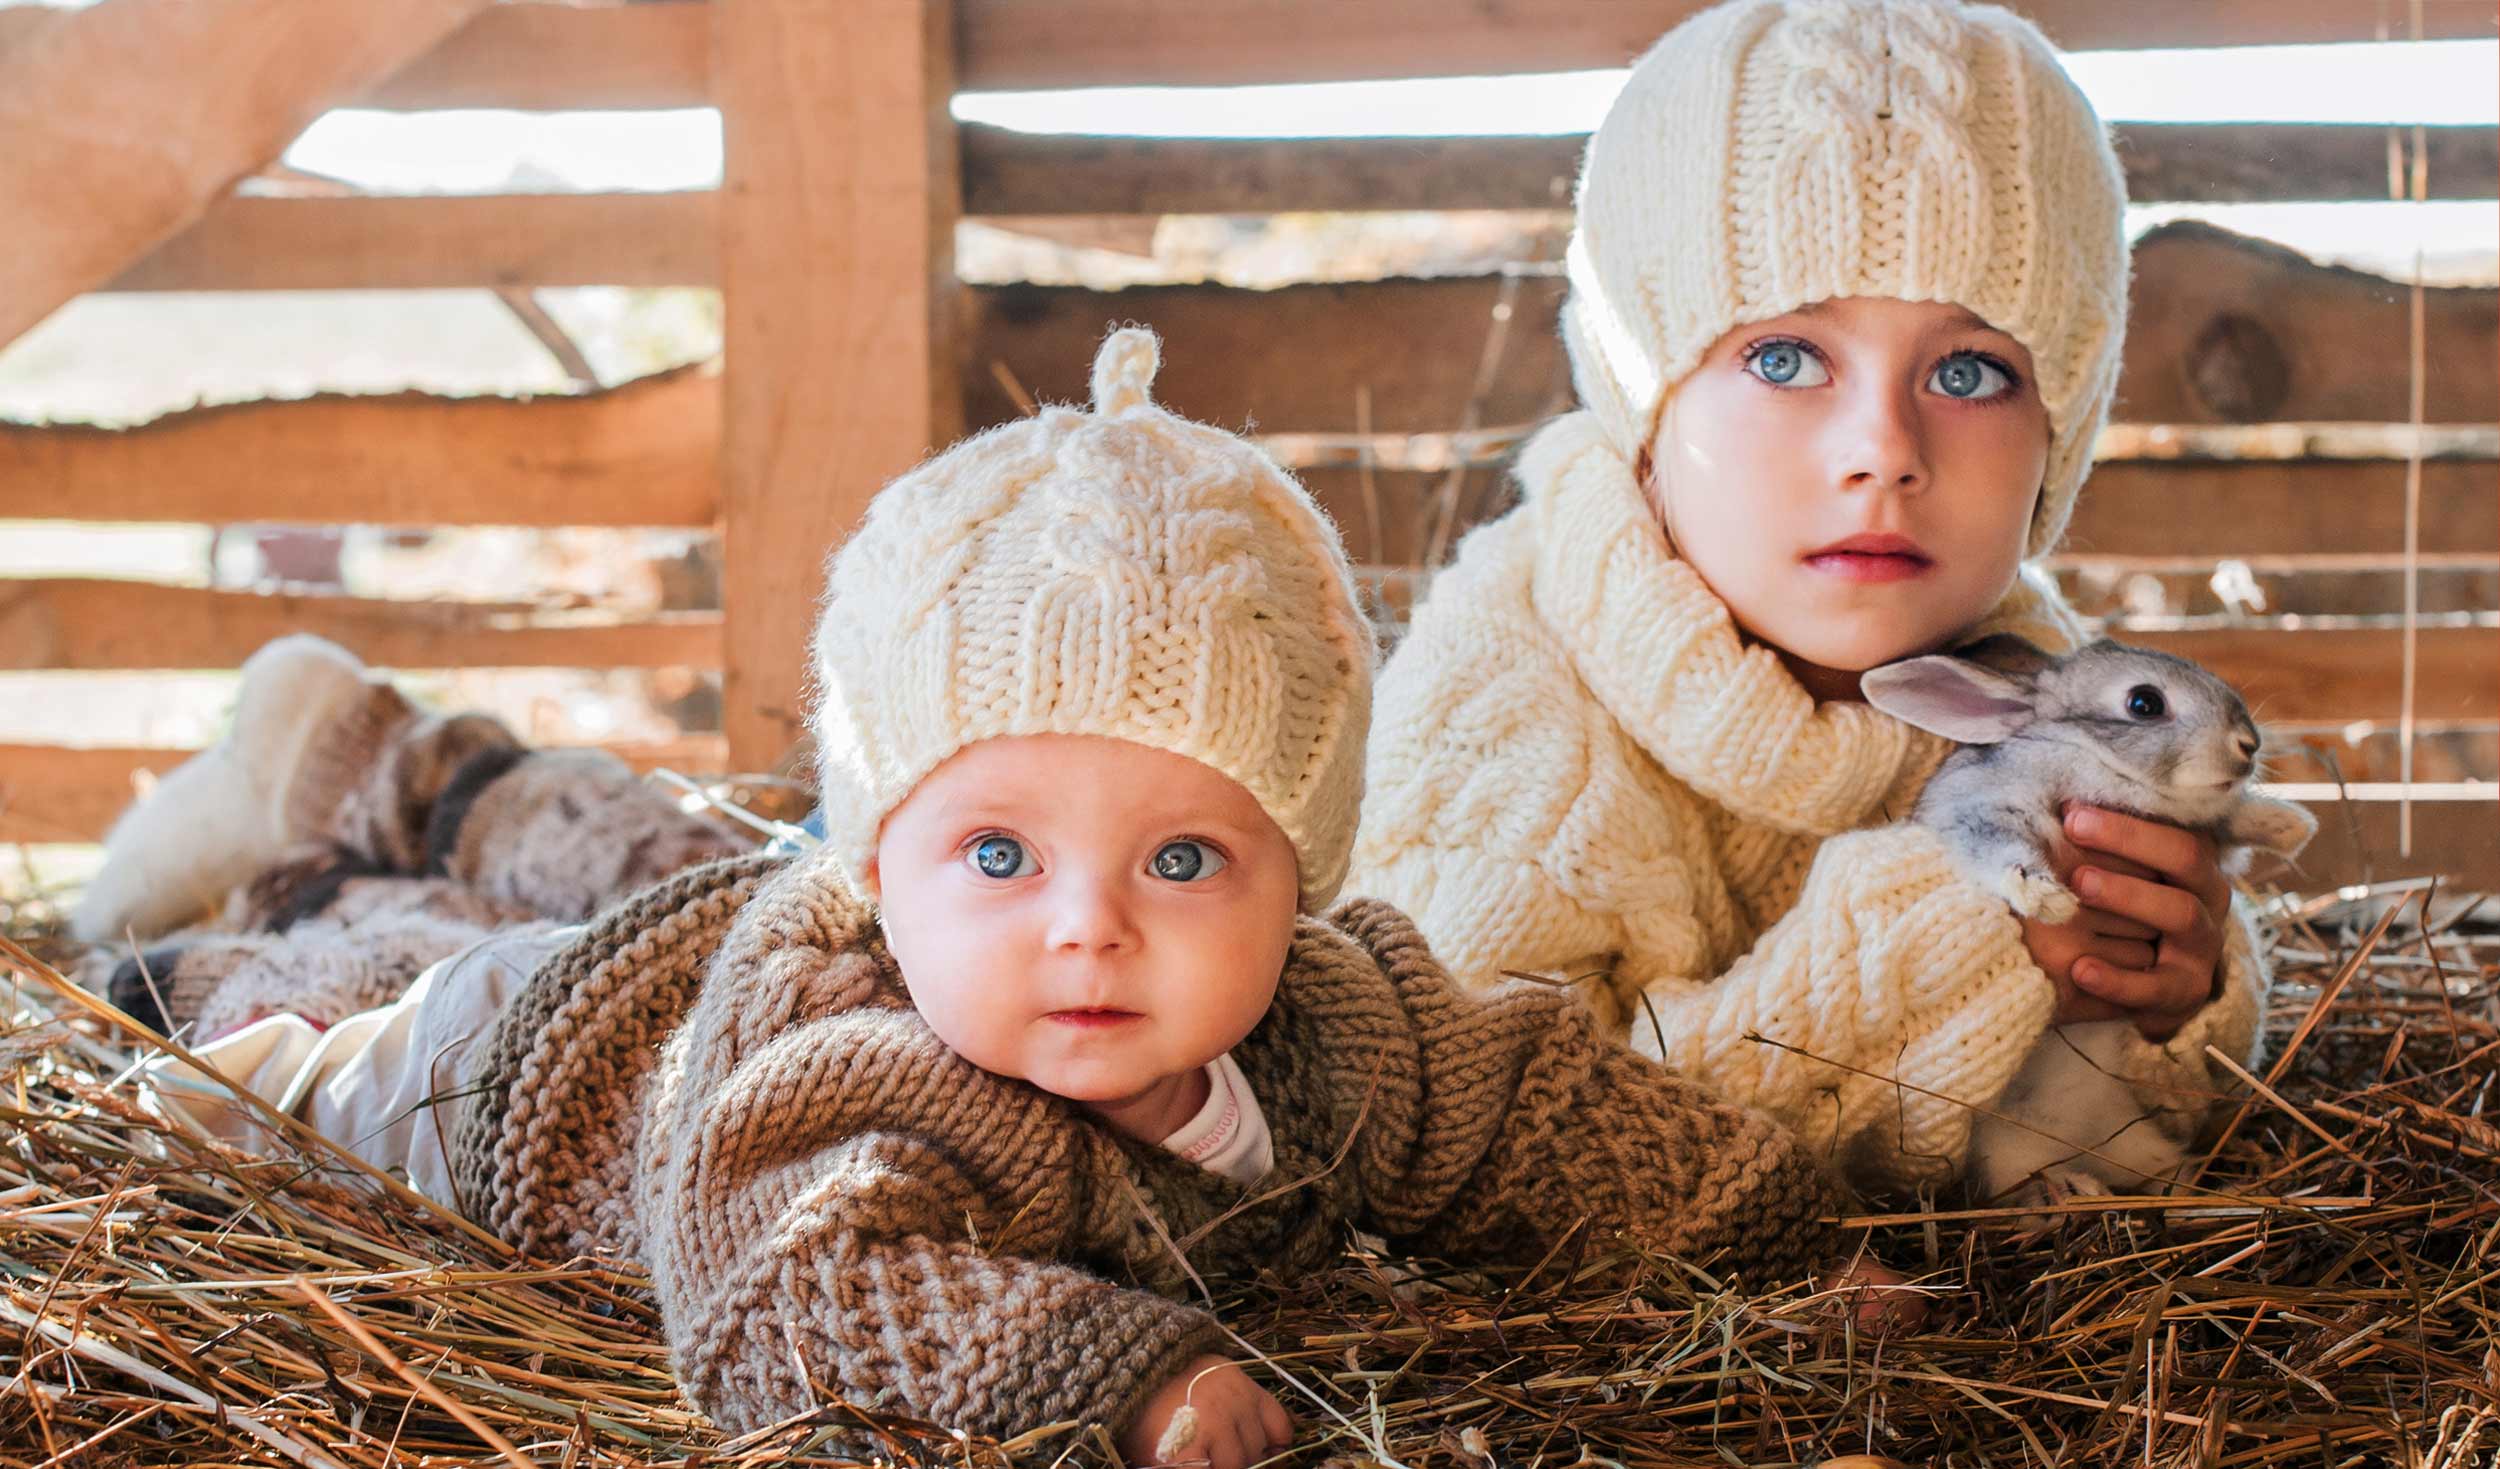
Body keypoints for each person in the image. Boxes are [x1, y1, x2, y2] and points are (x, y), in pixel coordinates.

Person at [102, 330, 1852, 1466]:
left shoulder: (1341, 1028)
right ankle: (207, 966)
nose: (1089, 925)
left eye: (1183, 859)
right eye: (1002, 853)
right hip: (522, 1077)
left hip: (726, 937)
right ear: (880, 864)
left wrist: (1786, 1242)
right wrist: (1132, 1378)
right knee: (340, 1026)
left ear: (1301, 877)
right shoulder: (861, 1088)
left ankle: (351, 784)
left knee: (618, 865)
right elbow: (802, 1298)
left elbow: (1524, 1106)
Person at [1350, 0, 2275, 1191]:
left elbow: (2163, 1075)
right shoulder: (1498, 727)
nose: (1881, 450)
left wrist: (2180, 993)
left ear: (2059, 434)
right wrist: (1952, 947)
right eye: (1783, 358)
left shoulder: (2040, 677)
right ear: (1644, 405)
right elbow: (1480, 1152)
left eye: (1968, 371)